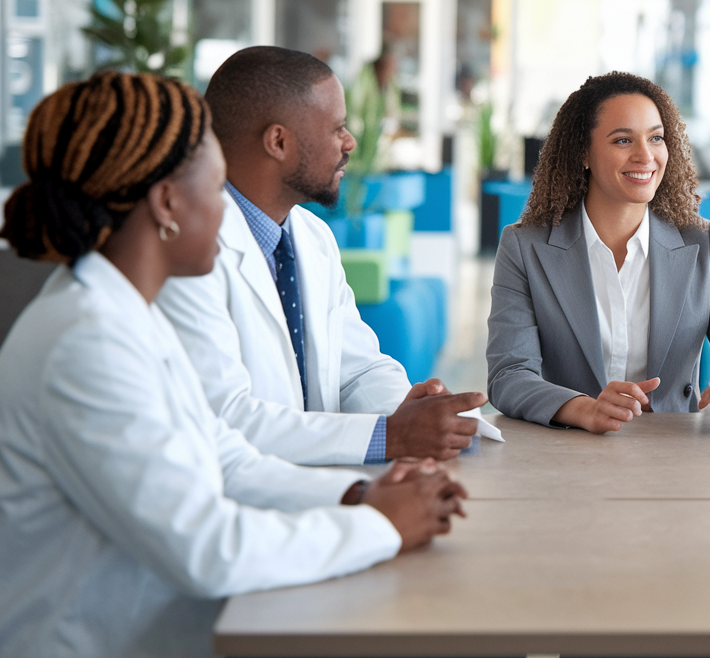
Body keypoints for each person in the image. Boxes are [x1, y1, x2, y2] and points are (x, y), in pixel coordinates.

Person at [0, 71, 466, 658]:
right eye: (217, 188)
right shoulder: (85, 343)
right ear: (168, 203)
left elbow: (225, 454)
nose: (229, 215)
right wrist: (380, 527)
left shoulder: (119, 314)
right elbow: (206, 547)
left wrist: (356, 496)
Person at [157, 46, 484, 466]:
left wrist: (410, 410)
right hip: (248, 502)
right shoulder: (189, 253)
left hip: (317, 489)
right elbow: (225, 418)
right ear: (278, 141)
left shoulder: (313, 238)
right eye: (337, 128)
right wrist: (389, 435)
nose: (349, 143)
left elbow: (358, 369)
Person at [487, 72, 710, 433]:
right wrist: (583, 409)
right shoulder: (525, 248)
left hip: (674, 458)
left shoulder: (703, 245)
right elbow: (509, 375)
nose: (645, 156)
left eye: (656, 138)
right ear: (583, 152)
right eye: (623, 140)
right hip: (565, 457)